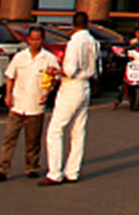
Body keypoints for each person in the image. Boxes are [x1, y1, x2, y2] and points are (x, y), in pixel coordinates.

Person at [43, 11, 98, 185]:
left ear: (73, 24)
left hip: (72, 86)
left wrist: (55, 71)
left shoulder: (75, 42)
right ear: (87, 24)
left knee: (55, 130)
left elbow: (70, 70)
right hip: (85, 85)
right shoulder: (92, 41)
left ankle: (55, 172)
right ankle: (72, 171)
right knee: (78, 131)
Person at [0, 27, 57, 182]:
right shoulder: (20, 57)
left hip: (36, 105)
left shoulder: (48, 58)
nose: (35, 42)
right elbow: (10, 77)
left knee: (33, 139)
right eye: (32, 39)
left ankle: (32, 166)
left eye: (38, 39)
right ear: (28, 40)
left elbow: (55, 78)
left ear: (42, 40)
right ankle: (3, 167)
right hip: (17, 103)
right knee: (10, 137)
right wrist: (8, 95)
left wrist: (48, 93)